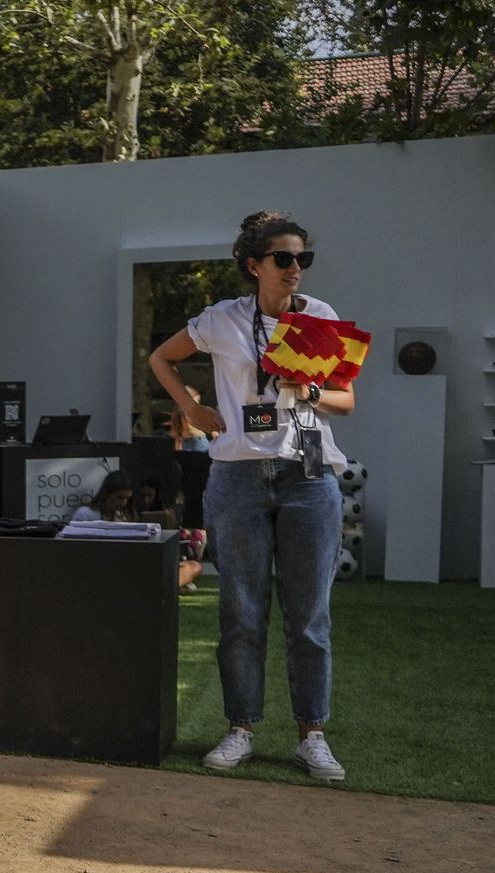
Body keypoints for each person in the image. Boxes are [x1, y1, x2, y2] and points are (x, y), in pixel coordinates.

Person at [148, 210, 354, 781]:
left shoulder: (319, 317)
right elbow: (161, 357)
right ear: (253, 265)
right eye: (283, 258)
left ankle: (312, 736)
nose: (295, 268)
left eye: (302, 258)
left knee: (309, 615)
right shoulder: (222, 319)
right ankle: (240, 728)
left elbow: (345, 401)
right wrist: (191, 409)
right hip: (237, 474)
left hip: (308, 473)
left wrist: (308, 391)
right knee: (241, 610)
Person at [70, 470, 135, 523]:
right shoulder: (85, 514)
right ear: (106, 494)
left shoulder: (124, 517)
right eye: (119, 498)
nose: (124, 502)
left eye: (127, 498)